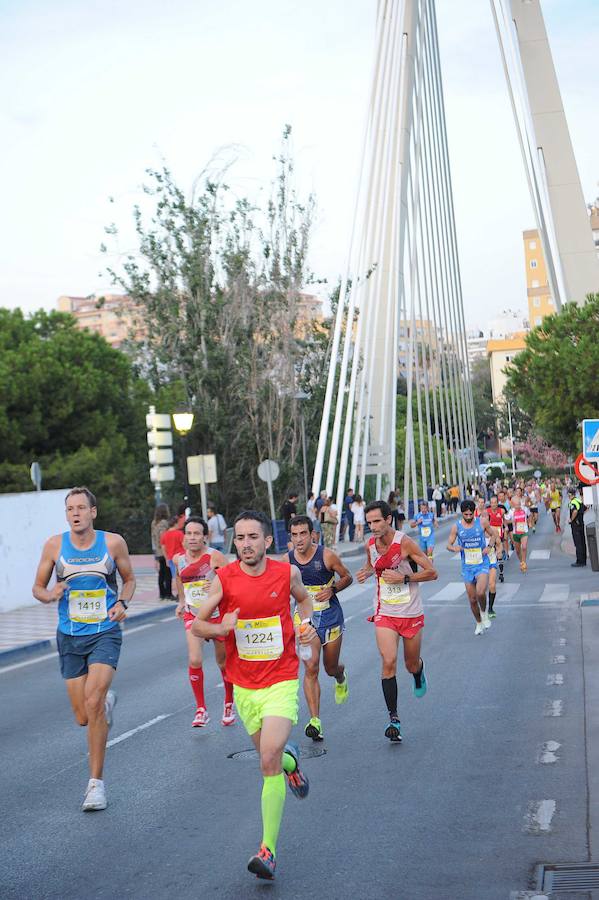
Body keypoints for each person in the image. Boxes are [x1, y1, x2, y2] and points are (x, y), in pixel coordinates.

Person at [192, 510, 316, 881]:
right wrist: (220, 627)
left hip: (280, 678)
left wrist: (305, 625)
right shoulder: (224, 580)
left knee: (266, 760)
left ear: (267, 541)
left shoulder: (286, 572)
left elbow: (304, 601)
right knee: (275, 758)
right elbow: (197, 623)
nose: (245, 544)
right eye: (240, 538)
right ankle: (292, 766)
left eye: (252, 537)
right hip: (245, 684)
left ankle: (268, 850)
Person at [32, 486, 136, 812]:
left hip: (105, 632)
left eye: (81, 508)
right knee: (82, 716)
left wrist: (122, 602)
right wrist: (50, 595)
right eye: (70, 509)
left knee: (92, 704)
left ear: (93, 512)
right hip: (70, 636)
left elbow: (129, 579)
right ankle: (104, 703)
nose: (75, 513)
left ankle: (95, 785)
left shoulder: (112, 543)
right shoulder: (54, 545)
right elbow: (37, 587)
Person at [356, 500, 438, 743]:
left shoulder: (404, 543)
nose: (372, 526)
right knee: (388, 661)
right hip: (385, 611)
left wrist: (404, 578)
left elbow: (432, 572)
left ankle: (418, 672)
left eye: (377, 521)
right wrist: (366, 572)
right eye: (369, 522)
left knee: (410, 664)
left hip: (410, 611)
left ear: (388, 519)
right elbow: (372, 565)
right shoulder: (370, 543)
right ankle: (394, 719)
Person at [288, 516, 352, 741]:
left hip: (331, 617)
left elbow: (347, 577)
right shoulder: (287, 561)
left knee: (329, 667)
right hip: (306, 620)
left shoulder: (326, 555)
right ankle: (315, 720)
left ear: (312, 534)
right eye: (294, 535)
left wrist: (333, 589)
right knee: (311, 667)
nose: (298, 539)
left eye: (302, 534)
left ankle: (340, 676)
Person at [173, 516, 232, 727]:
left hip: (216, 616)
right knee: (195, 660)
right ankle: (201, 709)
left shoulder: (215, 557)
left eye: (197, 533)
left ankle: (228, 702)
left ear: (205, 536)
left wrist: (217, 585)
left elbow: (232, 582)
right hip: (193, 615)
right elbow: (180, 581)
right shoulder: (178, 560)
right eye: (188, 533)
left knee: (223, 663)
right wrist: (181, 602)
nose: (192, 538)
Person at [447, 500, 500, 635]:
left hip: (481, 563)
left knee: (481, 592)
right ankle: (478, 622)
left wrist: (489, 547)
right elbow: (448, 544)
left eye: (471, 514)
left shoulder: (482, 522)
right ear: (462, 513)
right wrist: (454, 548)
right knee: (472, 599)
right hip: (467, 566)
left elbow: (493, 535)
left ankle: (484, 613)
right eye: (466, 515)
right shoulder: (456, 527)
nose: (469, 517)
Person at [151, 503, 173, 600]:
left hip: (157, 550)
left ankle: (162, 593)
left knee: (161, 573)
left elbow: (153, 537)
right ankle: (168, 593)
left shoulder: (154, 522)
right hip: (164, 550)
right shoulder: (164, 523)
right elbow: (163, 536)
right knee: (168, 573)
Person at [486, 495, 506, 588]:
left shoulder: (501, 511)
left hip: (499, 534)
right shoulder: (487, 512)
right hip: (490, 534)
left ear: (497, 503)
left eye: (495, 502)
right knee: (492, 553)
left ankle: (501, 573)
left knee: (499, 554)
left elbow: (504, 522)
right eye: (492, 502)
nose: (493, 504)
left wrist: (505, 531)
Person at [161, 516, 185, 581]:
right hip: (181, 557)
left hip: (171, 558)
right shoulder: (179, 533)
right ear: (175, 524)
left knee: (174, 576)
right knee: (183, 576)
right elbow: (184, 545)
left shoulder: (164, 534)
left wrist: (166, 559)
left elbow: (163, 548)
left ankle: (177, 590)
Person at [568, 487, 587, 567]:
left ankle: (579, 561)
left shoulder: (572, 502)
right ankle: (584, 560)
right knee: (582, 542)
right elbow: (585, 508)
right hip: (581, 523)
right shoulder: (579, 500)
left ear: (570, 494)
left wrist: (571, 520)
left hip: (575, 525)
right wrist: (581, 516)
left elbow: (575, 511)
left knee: (578, 543)